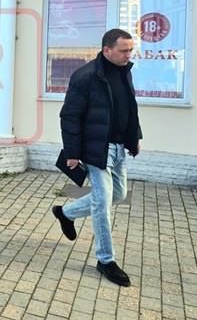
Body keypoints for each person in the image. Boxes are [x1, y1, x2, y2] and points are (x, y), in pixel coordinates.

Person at [52, 29, 142, 287]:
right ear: (107, 50)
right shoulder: (85, 77)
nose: (128, 54)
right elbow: (70, 116)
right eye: (124, 50)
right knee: (102, 204)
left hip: (119, 147)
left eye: (130, 50)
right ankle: (105, 260)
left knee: (118, 194)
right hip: (96, 149)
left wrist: (134, 138)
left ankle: (65, 213)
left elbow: (129, 109)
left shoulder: (124, 72)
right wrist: (72, 153)